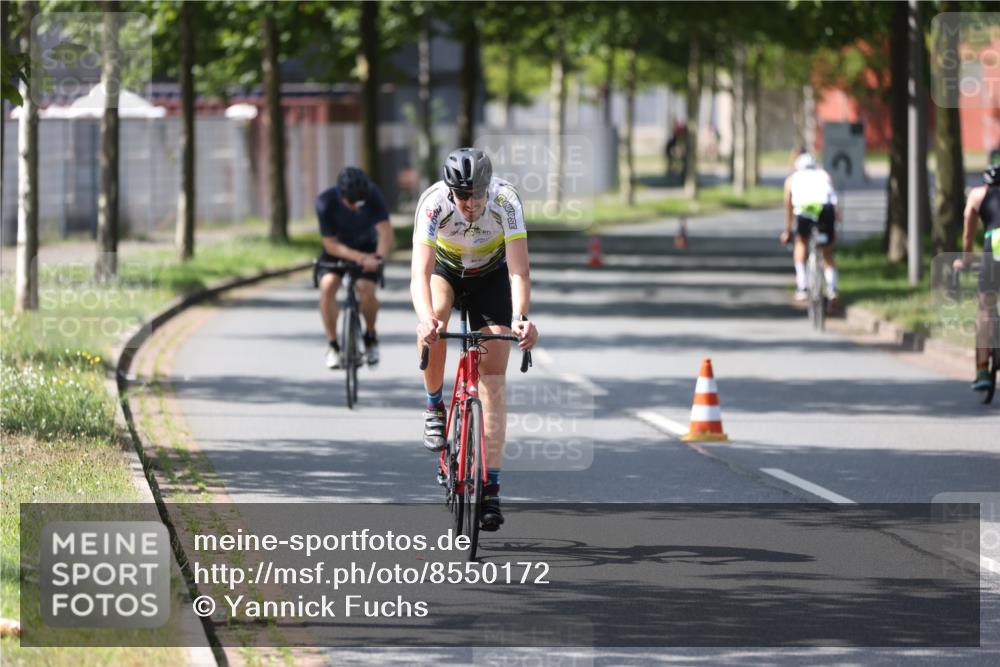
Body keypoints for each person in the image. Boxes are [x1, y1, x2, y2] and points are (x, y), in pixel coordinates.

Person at [411, 148, 539, 531]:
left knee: (494, 377)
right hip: (446, 272)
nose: (471, 202)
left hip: (491, 276)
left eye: (477, 194)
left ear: (488, 187)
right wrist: (425, 320)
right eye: (463, 195)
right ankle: (435, 408)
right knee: (435, 326)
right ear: (450, 191)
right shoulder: (433, 204)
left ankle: (491, 489)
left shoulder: (506, 201)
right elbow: (420, 273)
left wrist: (521, 319)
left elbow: (519, 272)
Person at [315, 166, 393, 369]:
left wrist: (378, 257)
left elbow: (385, 232)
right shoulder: (325, 202)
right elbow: (329, 243)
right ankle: (333, 345)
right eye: (351, 203)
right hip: (337, 250)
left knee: (366, 289)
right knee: (328, 285)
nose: (356, 207)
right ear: (341, 196)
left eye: (360, 202)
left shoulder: (373, 194)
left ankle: (370, 336)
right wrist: (359, 257)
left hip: (367, 248)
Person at [953, 164, 1000, 391]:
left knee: (985, 308)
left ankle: (982, 369)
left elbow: (968, 233)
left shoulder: (978, 195)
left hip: (995, 246)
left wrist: (966, 259)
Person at [780, 152, 840, 305]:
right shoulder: (824, 175)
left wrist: (787, 230)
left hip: (805, 211)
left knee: (801, 243)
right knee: (827, 252)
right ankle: (832, 288)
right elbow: (834, 202)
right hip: (826, 210)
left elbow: (789, 207)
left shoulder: (792, 179)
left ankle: (802, 286)